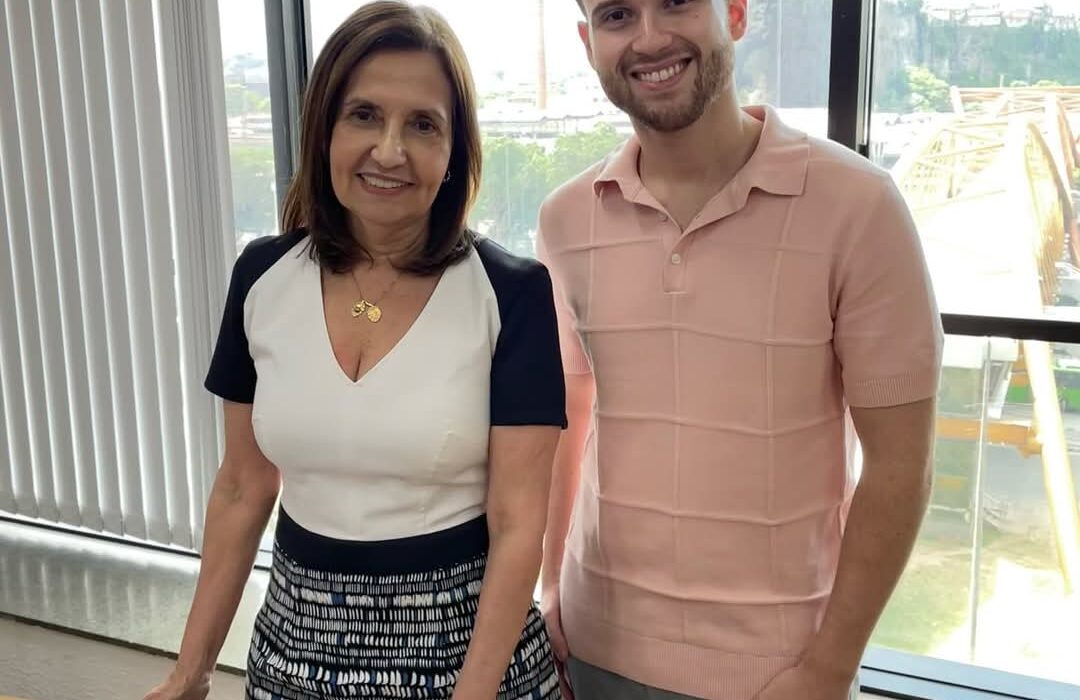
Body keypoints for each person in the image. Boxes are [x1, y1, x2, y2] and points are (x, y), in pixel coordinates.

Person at [142, 2, 565, 699]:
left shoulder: (510, 294)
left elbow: (519, 525)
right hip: (294, 657)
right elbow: (243, 488)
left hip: (471, 667)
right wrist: (189, 673)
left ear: (455, 150)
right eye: (364, 115)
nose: (390, 150)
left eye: (423, 124)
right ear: (324, 129)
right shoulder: (262, 277)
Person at [537, 1, 943, 699]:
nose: (649, 36)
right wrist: (550, 587)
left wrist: (828, 670)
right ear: (588, 42)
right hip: (592, 650)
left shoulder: (860, 206)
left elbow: (900, 467)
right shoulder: (566, 220)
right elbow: (567, 415)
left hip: (780, 673)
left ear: (735, 12)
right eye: (616, 15)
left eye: (675, 3)